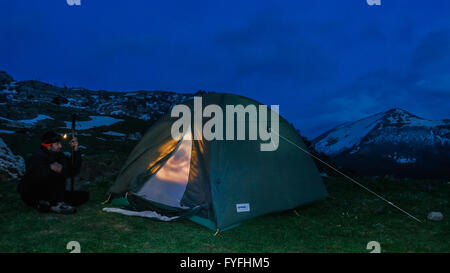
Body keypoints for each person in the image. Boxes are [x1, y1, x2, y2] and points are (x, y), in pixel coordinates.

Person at [18, 131, 89, 214]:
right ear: (48, 146)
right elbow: (31, 176)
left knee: (83, 196)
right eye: (57, 144)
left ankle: (49, 205)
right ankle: (53, 204)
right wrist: (49, 168)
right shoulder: (37, 157)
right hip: (35, 192)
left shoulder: (59, 156)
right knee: (54, 175)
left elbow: (72, 170)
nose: (60, 146)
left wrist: (75, 150)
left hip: (53, 193)